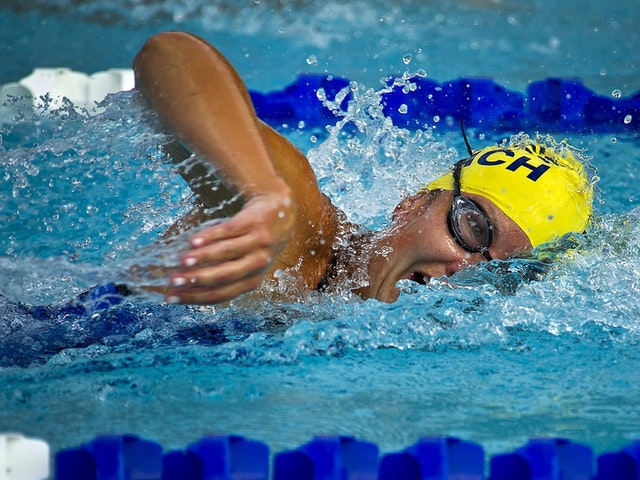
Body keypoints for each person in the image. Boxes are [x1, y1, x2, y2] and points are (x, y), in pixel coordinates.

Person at [132, 31, 593, 306]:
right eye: (473, 228)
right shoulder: (295, 231)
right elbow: (170, 56)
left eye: (501, 272)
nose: (464, 268)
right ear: (411, 204)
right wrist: (260, 192)